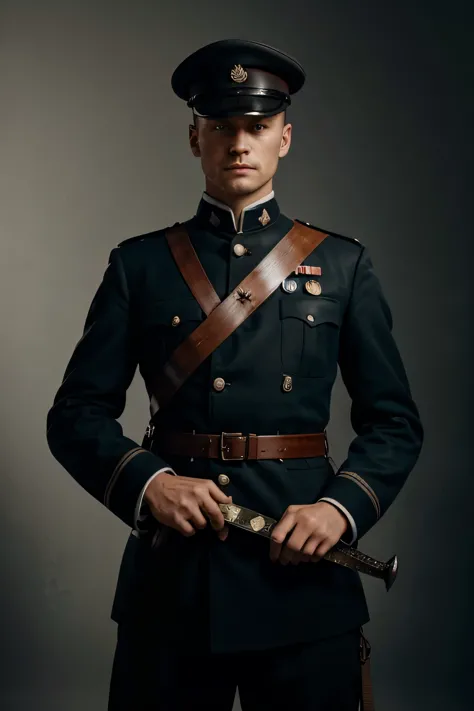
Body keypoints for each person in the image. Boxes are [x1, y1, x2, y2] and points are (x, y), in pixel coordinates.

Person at [46, 38, 423, 710]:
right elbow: (75, 414)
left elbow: (394, 422)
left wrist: (339, 510)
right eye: (221, 127)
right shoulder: (139, 266)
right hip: (174, 585)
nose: (238, 143)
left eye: (256, 127)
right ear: (195, 139)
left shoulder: (343, 266)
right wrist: (148, 482)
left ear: (286, 137)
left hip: (304, 579)